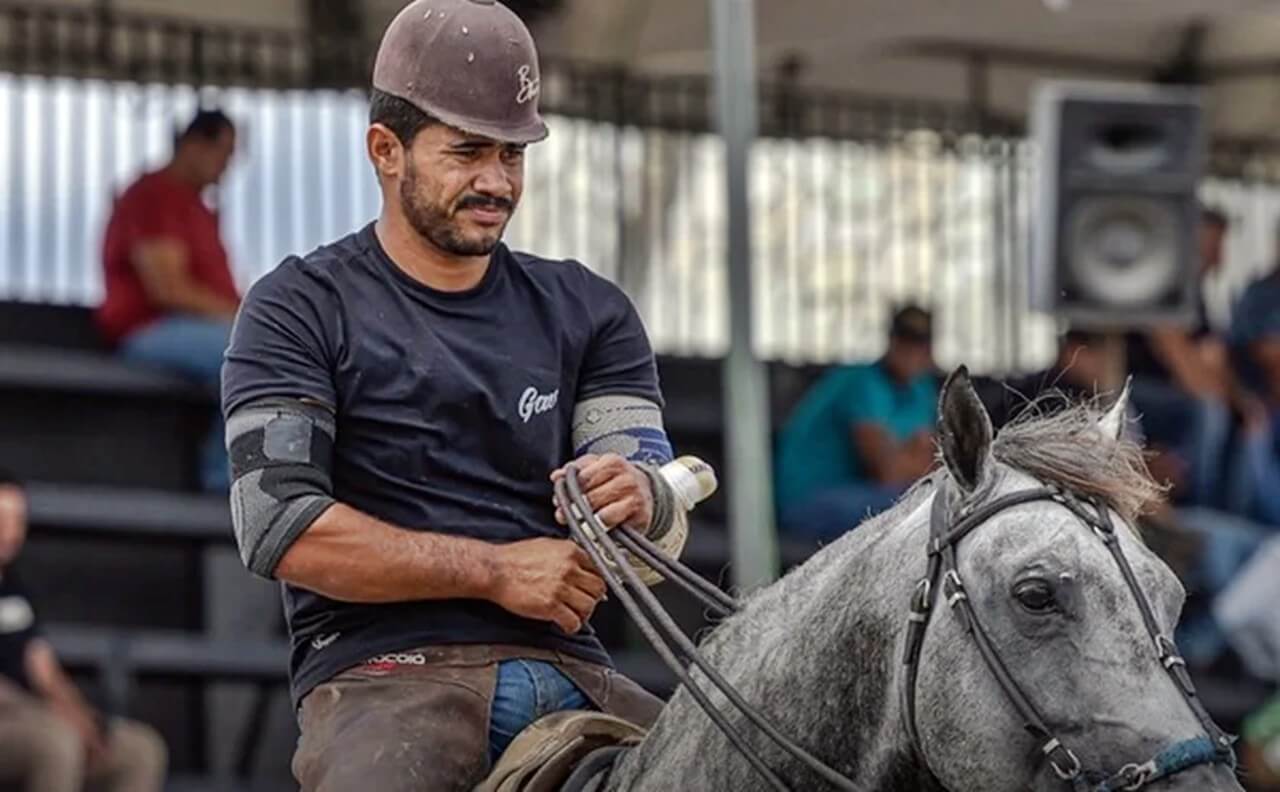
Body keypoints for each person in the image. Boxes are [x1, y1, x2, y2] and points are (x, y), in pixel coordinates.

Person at [220, 2, 698, 789]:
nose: (496, 182)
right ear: (386, 149)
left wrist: (641, 496)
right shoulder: (297, 306)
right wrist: (495, 572)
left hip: (579, 669)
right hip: (383, 677)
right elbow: (280, 529)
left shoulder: (592, 310)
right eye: (468, 151)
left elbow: (653, 490)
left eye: (513, 155)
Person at [98, 109, 240, 492]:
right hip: (150, 330)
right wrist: (244, 318)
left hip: (195, 329)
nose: (226, 168)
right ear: (194, 145)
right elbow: (168, 288)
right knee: (246, 355)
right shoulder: (153, 196)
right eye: (223, 154)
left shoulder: (196, 207)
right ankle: (223, 482)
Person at [0, 472, 167, 792]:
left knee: (140, 750)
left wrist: (81, 718)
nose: (9, 531)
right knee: (56, 743)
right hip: (18, 720)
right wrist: (50, 716)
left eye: (17, 519)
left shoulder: (15, 591)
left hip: (36, 717)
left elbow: (44, 670)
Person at [1123, 206, 1267, 510]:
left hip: (1174, 390)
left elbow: (1214, 357)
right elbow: (1183, 362)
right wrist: (1219, 395)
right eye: (1212, 246)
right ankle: (1199, 507)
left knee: (1247, 417)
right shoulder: (1163, 286)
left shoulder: (1197, 293)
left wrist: (1243, 405)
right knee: (1208, 412)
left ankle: (1238, 509)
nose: (1218, 258)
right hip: (1133, 391)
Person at [773, 305, 937, 541]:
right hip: (810, 500)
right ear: (891, 340)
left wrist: (909, 461)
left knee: (933, 500)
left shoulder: (921, 388)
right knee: (922, 507)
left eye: (919, 342)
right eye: (904, 340)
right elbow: (888, 473)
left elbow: (931, 461)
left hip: (866, 493)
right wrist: (910, 459)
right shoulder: (862, 382)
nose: (910, 351)